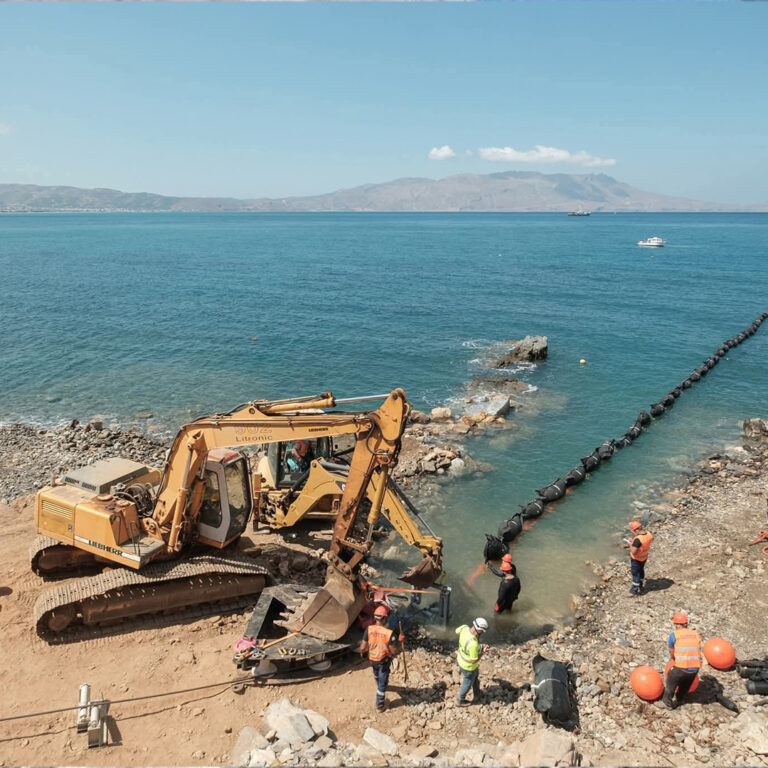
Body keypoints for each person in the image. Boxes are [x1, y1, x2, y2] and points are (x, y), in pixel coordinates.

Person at [360, 605, 404, 712]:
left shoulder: (369, 629)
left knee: (376, 673)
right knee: (383, 681)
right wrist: (399, 640)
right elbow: (394, 651)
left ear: (375, 618)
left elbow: (362, 647)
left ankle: (378, 682)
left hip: (372, 659)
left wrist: (363, 654)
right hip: (383, 661)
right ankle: (380, 705)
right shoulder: (389, 634)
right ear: (384, 619)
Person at [662, 612, 702, 709]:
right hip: (695, 669)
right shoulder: (695, 634)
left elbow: (672, 651)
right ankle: (680, 699)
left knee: (671, 677)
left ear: (676, 624)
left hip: (681, 668)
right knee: (686, 683)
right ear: (686, 624)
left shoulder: (674, 635)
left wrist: (675, 659)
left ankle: (667, 702)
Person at [455, 617, 489, 706]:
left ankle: (477, 694)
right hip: (469, 667)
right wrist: (483, 652)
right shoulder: (473, 644)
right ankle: (460, 700)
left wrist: (480, 647)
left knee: (475, 677)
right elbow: (473, 660)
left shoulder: (464, 628)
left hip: (460, 660)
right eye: (482, 631)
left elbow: (456, 631)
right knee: (467, 684)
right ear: (479, 630)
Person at [627, 520, 653, 596]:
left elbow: (633, 551)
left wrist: (630, 544)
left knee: (635, 573)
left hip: (636, 559)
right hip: (644, 557)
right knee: (641, 570)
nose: (634, 533)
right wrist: (634, 542)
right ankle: (641, 584)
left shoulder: (638, 540)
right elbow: (642, 543)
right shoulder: (649, 534)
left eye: (634, 531)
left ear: (636, 530)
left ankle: (634, 590)